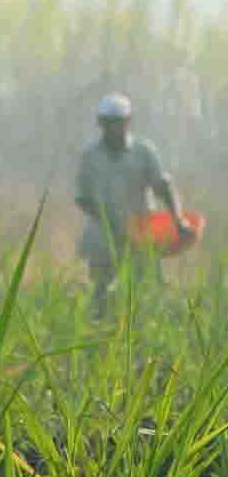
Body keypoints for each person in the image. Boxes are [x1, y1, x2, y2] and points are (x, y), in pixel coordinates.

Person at [76, 94, 195, 315]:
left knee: (147, 290)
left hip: (141, 233)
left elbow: (163, 186)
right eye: (108, 122)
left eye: (119, 122)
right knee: (101, 291)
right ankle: (101, 334)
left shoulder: (143, 151)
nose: (114, 128)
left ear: (128, 122)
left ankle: (142, 334)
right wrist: (110, 224)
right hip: (103, 235)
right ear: (100, 123)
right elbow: (83, 198)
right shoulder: (90, 155)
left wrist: (179, 220)